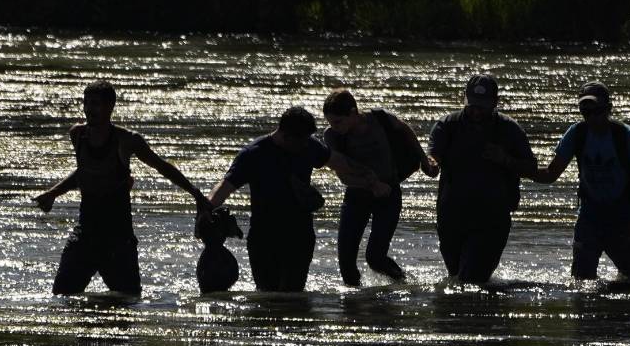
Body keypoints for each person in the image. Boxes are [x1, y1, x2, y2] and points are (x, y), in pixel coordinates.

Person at [34, 80, 210, 296]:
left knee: (128, 301)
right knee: (62, 296)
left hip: (118, 237)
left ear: (110, 107)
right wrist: (53, 193)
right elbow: (84, 173)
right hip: (85, 233)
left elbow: (161, 166)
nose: (89, 109)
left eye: (95, 104)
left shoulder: (126, 140)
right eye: (86, 103)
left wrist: (195, 193)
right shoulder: (78, 135)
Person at [204, 106, 390, 292]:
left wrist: (372, 178)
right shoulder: (253, 154)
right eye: (300, 141)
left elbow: (338, 161)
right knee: (268, 296)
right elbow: (225, 187)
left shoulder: (309, 145)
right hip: (264, 238)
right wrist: (205, 210)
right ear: (286, 136)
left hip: (300, 236)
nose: (304, 145)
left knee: (294, 296)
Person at [532, 82, 630, 280]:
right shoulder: (576, 133)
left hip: (624, 213)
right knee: (581, 281)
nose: (591, 117)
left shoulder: (625, 136)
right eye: (585, 112)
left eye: (596, 111)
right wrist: (512, 165)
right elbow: (550, 174)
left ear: (608, 109)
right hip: (590, 214)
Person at [322, 89, 439, 286]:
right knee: (346, 263)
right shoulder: (333, 136)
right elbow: (343, 176)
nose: (333, 127)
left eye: (338, 122)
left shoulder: (380, 119)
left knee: (375, 258)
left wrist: (423, 159)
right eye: (330, 122)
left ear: (353, 113)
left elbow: (405, 130)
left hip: (389, 195)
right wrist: (372, 184)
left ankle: (407, 285)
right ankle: (353, 309)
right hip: (357, 196)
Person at [428, 74, 537, 283]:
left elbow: (532, 168)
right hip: (452, 217)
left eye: (483, 107)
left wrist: (504, 159)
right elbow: (433, 155)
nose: (476, 112)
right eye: (472, 106)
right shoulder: (447, 126)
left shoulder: (509, 129)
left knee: (470, 280)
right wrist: (431, 164)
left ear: (495, 102)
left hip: (492, 219)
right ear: (464, 99)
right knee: (456, 279)